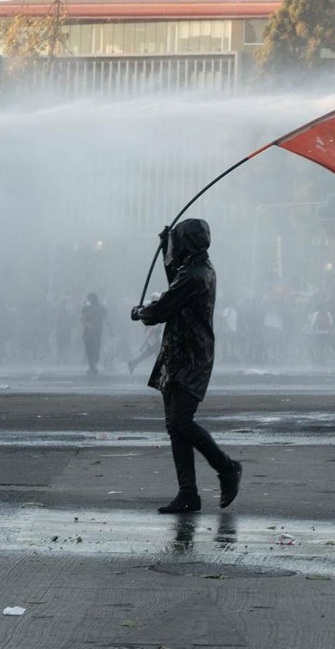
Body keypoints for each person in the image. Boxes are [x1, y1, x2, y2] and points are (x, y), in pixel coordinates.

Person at [131, 219, 242, 514]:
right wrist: (166, 248)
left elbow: (164, 307)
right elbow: (175, 284)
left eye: (178, 241)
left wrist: (141, 312)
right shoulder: (197, 269)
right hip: (181, 354)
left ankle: (227, 468)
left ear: (186, 243)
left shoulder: (195, 275)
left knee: (181, 422)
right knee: (175, 425)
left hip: (190, 356)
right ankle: (188, 493)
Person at [80, 293, 108, 375]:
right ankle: (93, 365)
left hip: (92, 332)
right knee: (94, 348)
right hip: (95, 331)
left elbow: (82, 318)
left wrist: (87, 324)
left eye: (88, 298)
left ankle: (93, 365)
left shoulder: (88, 307)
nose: (87, 300)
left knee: (91, 348)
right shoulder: (99, 307)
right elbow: (82, 318)